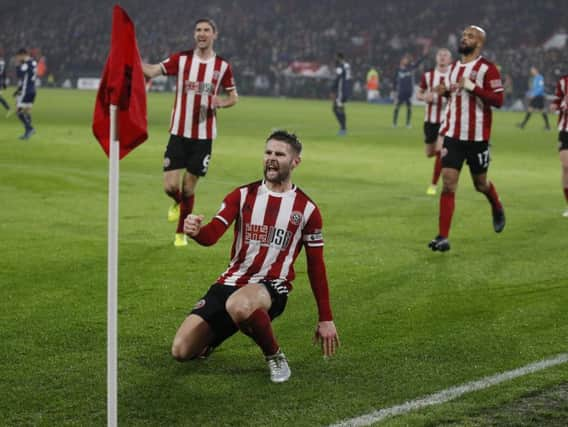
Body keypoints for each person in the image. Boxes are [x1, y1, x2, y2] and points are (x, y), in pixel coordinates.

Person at [174, 130, 340, 383]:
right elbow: (211, 236)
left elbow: (316, 266)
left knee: (239, 305)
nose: (271, 158)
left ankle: (275, 356)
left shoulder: (307, 209)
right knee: (181, 351)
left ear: (295, 162)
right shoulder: (242, 195)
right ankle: (214, 338)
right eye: (268, 152)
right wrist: (195, 232)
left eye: (279, 154)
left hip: (271, 287)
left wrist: (325, 318)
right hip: (230, 283)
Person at [142, 18, 238, 247]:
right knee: (170, 187)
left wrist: (220, 103)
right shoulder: (182, 59)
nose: (202, 33)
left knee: (188, 187)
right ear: (194, 34)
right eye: (198, 30)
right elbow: (154, 70)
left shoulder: (223, 66)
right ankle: (177, 204)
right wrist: (132, 59)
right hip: (178, 132)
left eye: (206, 30)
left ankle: (180, 233)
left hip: (203, 138)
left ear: (215, 34)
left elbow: (233, 97)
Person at [428, 26, 505, 252]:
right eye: (463, 35)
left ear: (479, 43)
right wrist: (444, 92)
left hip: (478, 138)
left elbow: (498, 100)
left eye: (470, 36)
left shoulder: (487, 69)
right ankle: (443, 237)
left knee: (480, 184)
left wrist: (473, 87)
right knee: (448, 184)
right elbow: (453, 95)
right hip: (453, 135)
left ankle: (496, 205)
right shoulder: (452, 69)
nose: (464, 38)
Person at [416, 48, 452, 196]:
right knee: (430, 153)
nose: (442, 57)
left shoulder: (453, 76)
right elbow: (419, 93)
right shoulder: (428, 76)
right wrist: (425, 97)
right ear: (436, 58)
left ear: (450, 60)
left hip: (447, 120)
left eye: (445, 55)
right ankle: (435, 180)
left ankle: (433, 185)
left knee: (440, 151)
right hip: (430, 120)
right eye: (440, 55)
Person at [549, 73, 568, 217]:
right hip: (565, 129)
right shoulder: (563, 81)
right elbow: (556, 100)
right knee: (566, 166)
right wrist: (555, 105)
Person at [392, 51, 426, 128]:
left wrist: (423, 56)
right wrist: (393, 90)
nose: (406, 60)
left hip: (408, 91)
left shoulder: (411, 68)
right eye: (405, 59)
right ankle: (394, 123)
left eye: (407, 59)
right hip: (401, 91)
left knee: (409, 107)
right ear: (402, 60)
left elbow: (418, 63)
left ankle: (408, 123)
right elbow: (394, 80)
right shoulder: (398, 69)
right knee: (397, 107)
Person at [14, 48, 37, 140]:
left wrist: (17, 66)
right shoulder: (33, 62)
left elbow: (20, 75)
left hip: (26, 90)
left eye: (18, 57)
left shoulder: (25, 64)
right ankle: (28, 131)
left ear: (22, 55)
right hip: (33, 90)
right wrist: (18, 90)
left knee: (18, 111)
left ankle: (29, 129)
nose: (18, 58)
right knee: (27, 110)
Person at [517, 66, 550, 130]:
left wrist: (534, 95)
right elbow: (534, 89)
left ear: (536, 70)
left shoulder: (540, 77)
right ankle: (547, 126)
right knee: (540, 111)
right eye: (531, 70)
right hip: (537, 96)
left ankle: (523, 124)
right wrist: (529, 93)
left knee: (532, 109)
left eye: (532, 70)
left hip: (538, 97)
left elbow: (541, 88)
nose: (531, 72)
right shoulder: (535, 78)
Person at [331, 52, 352, 136]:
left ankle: (343, 128)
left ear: (339, 58)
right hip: (345, 90)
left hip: (341, 91)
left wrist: (332, 89)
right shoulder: (347, 66)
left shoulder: (341, 66)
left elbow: (338, 78)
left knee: (336, 109)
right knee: (339, 108)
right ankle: (343, 128)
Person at [0, 49, 12, 116]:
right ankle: (8, 108)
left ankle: (9, 108)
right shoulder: (2, 62)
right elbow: (4, 73)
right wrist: (4, 83)